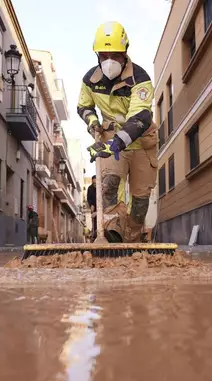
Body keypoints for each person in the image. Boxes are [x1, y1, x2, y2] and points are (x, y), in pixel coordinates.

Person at [79, 21, 158, 243]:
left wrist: (116, 143)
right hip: (110, 139)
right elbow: (84, 107)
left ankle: (132, 239)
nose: (109, 62)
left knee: (141, 201)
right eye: (104, 56)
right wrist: (93, 122)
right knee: (109, 186)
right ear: (97, 56)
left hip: (141, 143)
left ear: (125, 53)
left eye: (115, 55)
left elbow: (140, 118)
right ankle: (113, 236)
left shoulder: (140, 79)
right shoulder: (90, 80)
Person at [86, 175, 97, 241]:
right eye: (94, 183)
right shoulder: (90, 188)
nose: (95, 184)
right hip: (93, 208)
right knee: (94, 222)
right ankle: (94, 236)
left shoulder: (101, 187)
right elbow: (88, 198)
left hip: (101, 208)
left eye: (96, 183)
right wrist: (91, 205)